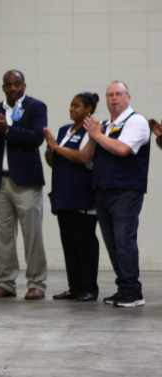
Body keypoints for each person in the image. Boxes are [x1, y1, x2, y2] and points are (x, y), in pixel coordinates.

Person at [0, 70, 48, 300]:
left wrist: (7, 129)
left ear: (24, 85)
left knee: (32, 234)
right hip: (0, 181)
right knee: (4, 235)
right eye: (8, 85)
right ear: (3, 88)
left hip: (26, 181)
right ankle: (6, 282)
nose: (13, 88)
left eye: (17, 84)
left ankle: (36, 282)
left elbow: (36, 137)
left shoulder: (36, 107)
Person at [80, 81, 150, 308]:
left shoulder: (136, 121)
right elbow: (85, 158)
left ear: (128, 97)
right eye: (110, 95)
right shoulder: (104, 127)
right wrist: (93, 136)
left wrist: (97, 135)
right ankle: (124, 288)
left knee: (124, 240)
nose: (113, 98)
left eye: (119, 94)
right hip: (102, 191)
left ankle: (133, 291)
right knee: (112, 243)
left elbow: (123, 149)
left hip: (125, 192)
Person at [44, 92, 100, 302]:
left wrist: (57, 147)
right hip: (63, 195)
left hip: (82, 195)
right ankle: (74, 287)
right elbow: (53, 160)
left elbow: (83, 157)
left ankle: (89, 288)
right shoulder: (64, 130)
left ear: (88, 110)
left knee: (84, 243)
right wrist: (50, 145)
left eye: (77, 106)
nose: (72, 109)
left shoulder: (91, 129)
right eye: (71, 105)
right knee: (69, 243)